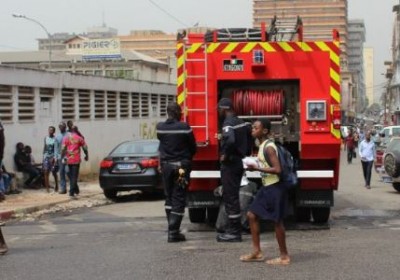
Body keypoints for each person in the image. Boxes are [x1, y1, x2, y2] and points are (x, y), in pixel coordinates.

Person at [240, 119, 290, 265]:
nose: (253, 130)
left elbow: (277, 169)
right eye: (252, 127)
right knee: (251, 215)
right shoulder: (262, 145)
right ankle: (257, 252)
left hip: (275, 188)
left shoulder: (269, 147)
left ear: (265, 131)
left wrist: (256, 169)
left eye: (256, 128)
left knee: (277, 222)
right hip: (267, 187)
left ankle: (284, 256)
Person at [156, 102, 196, 242]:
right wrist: (187, 159)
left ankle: (171, 228)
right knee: (179, 196)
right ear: (178, 113)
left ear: (167, 113)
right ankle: (173, 232)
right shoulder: (184, 127)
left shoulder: (160, 128)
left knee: (169, 196)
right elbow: (193, 146)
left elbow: (162, 145)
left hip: (166, 167)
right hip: (180, 169)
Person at [216, 98, 252, 242]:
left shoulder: (228, 123)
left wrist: (225, 154)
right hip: (239, 162)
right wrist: (245, 152)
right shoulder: (242, 122)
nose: (219, 112)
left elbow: (229, 140)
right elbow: (249, 137)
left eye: (219, 110)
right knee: (234, 197)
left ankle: (234, 232)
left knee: (230, 198)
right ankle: (234, 230)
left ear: (224, 109)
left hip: (230, 164)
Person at [61, 126, 88, 199]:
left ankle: (75, 189)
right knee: (74, 176)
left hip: (69, 159)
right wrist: (86, 155)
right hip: (76, 160)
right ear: (77, 130)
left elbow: (63, 148)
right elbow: (85, 147)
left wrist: (62, 156)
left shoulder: (66, 138)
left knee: (71, 176)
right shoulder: (79, 138)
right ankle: (71, 192)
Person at [42, 126, 59, 193]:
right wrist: (43, 157)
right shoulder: (46, 138)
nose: (50, 131)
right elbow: (44, 147)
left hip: (52, 157)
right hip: (46, 157)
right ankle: (47, 188)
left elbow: (56, 149)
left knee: (54, 172)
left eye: (52, 130)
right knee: (46, 172)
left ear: (54, 131)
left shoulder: (55, 139)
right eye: (49, 130)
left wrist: (55, 158)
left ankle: (57, 185)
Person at [56, 122, 68, 194]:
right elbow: (56, 148)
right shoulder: (57, 136)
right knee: (61, 172)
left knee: (68, 171)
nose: (61, 127)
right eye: (60, 126)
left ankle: (74, 187)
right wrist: (56, 157)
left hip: (68, 156)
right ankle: (63, 189)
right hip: (60, 157)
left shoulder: (69, 135)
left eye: (62, 126)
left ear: (65, 127)